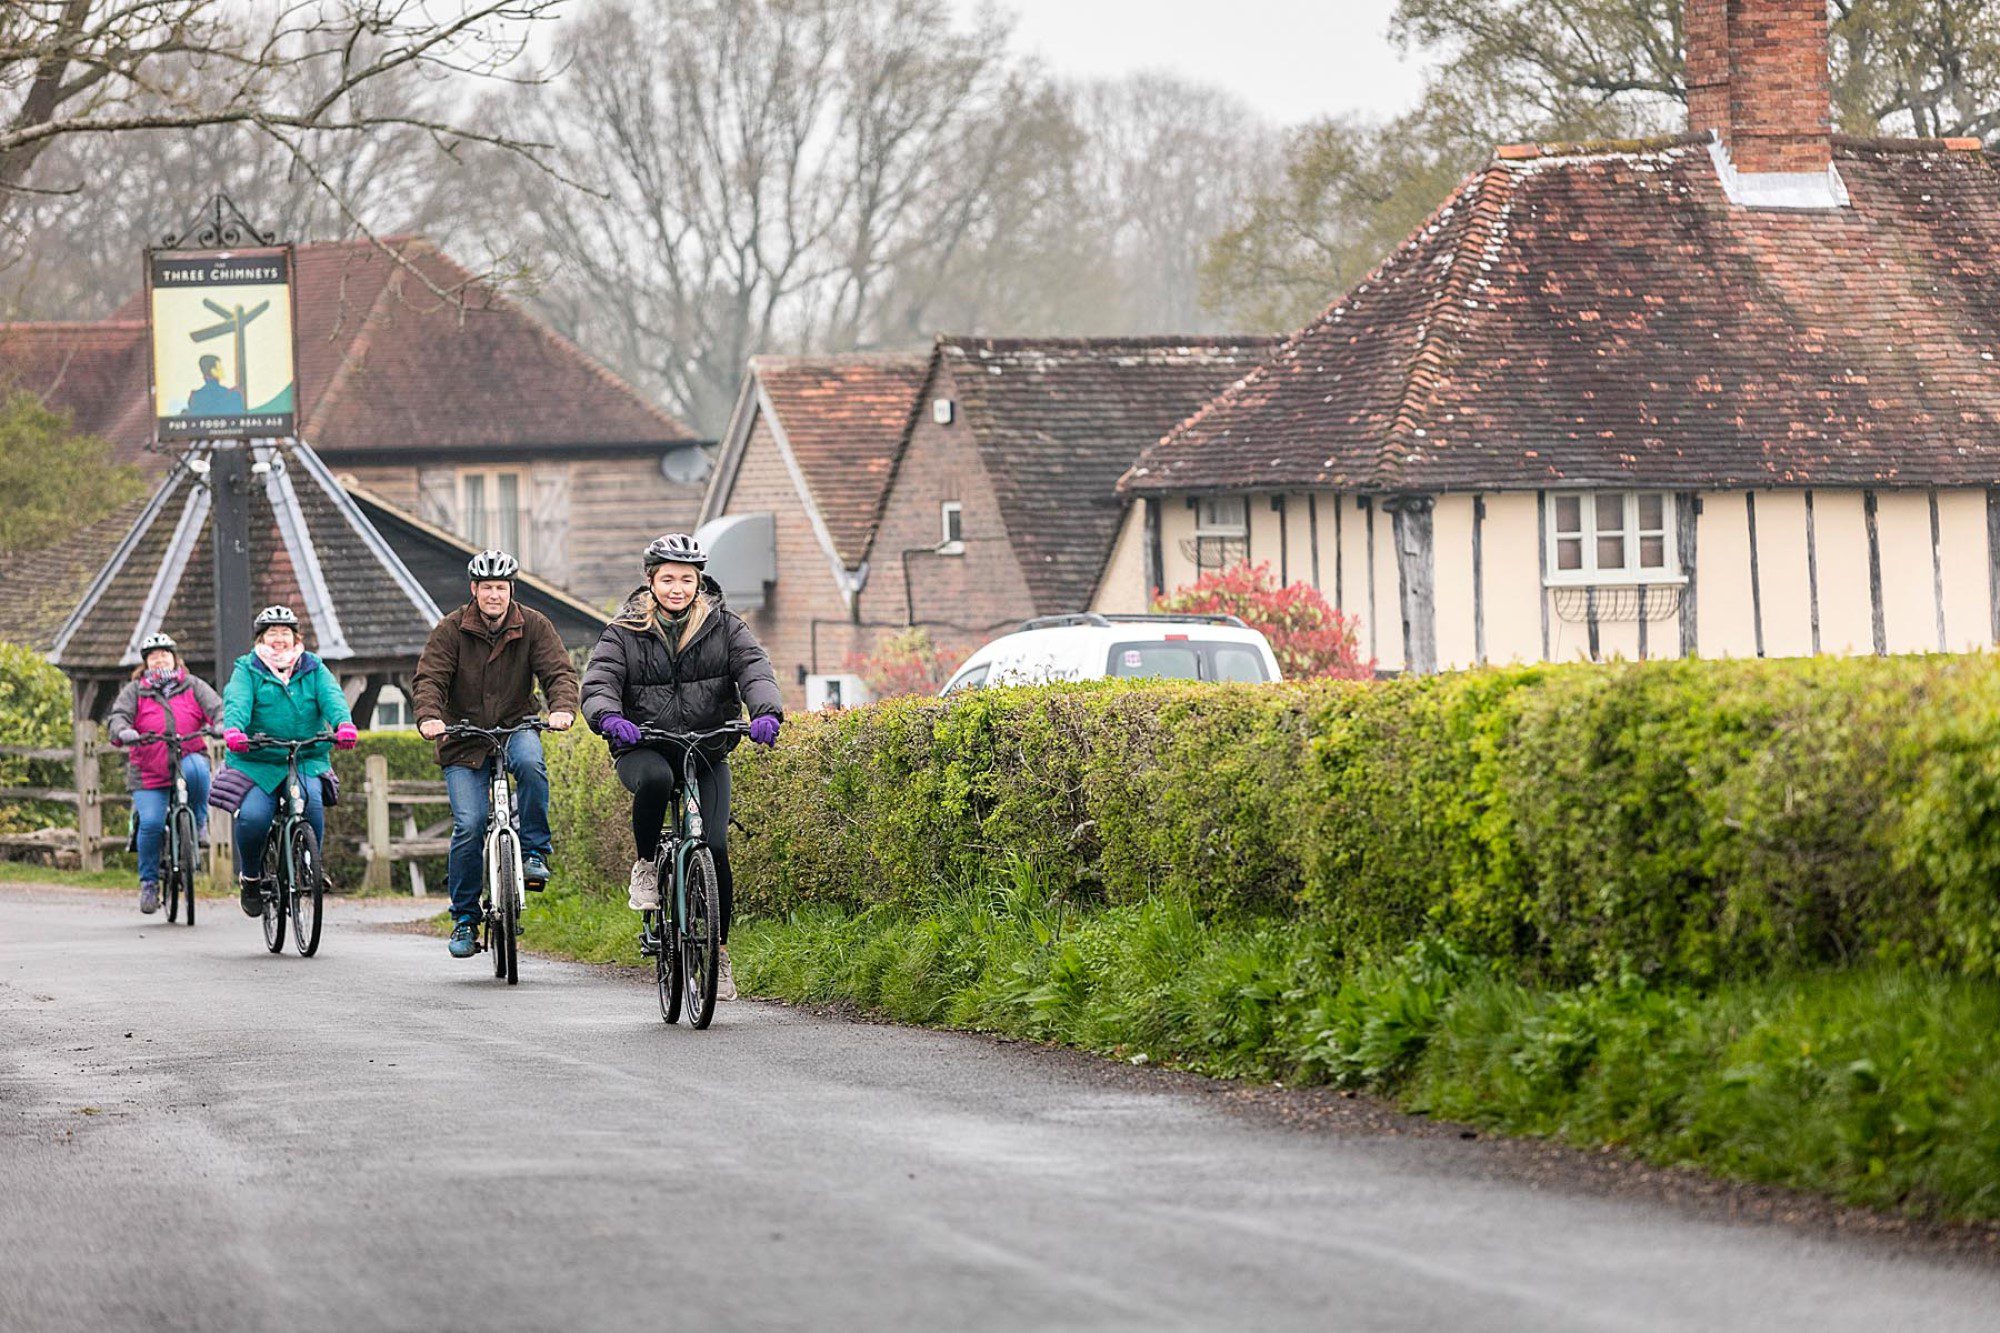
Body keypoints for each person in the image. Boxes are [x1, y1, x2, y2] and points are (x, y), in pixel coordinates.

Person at [581, 533, 782, 1001]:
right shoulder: (622, 632)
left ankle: (719, 953)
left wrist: (766, 711)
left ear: (699, 582)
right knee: (655, 779)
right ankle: (647, 865)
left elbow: (755, 669)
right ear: (651, 581)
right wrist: (610, 718)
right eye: (667, 578)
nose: (677, 588)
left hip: (707, 746)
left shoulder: (725, 626)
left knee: (714, 847)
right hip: (645, 744)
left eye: (686, 579)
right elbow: (600, 681)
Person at [413, 550, 580, 960]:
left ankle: (535, 851)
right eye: (486, 587)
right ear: (474, 590)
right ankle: (465, 919)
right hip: (463, 737)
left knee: (530, 763)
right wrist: (430, 718)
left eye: (500, 588)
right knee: (469, 825)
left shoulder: (534, 625)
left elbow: (558, 672)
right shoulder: (450, 629)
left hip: (515, 725)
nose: (493, 595)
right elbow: (430, 679)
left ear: (510, 590)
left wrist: (562, 708)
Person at [218, 605, 358, 916]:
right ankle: (251, 877)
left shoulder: (313, 667)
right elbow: (237, 700)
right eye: (272, 633)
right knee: (253, 817)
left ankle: (310, 865)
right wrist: (235, 731)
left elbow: (332, 696)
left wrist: (343, 725)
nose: (279, 639)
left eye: (285, 633)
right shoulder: (247, 669)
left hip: (306, 755)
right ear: (261, 638)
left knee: (312, 802)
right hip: (258, 760)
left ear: (295, 637)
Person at [106, 633, 222, 914]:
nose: (159, 659)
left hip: (188, 755)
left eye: (164, 654)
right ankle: (148, 883)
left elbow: (218, 709)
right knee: (152, 824)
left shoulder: (192, 685)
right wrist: (124, 731)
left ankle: (198, 824)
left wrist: (221, 724)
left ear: (175, 658)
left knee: (199, 772)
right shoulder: (135, 691)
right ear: (146, 663)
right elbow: (118, 716)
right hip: (149, 771)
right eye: (153, 656)